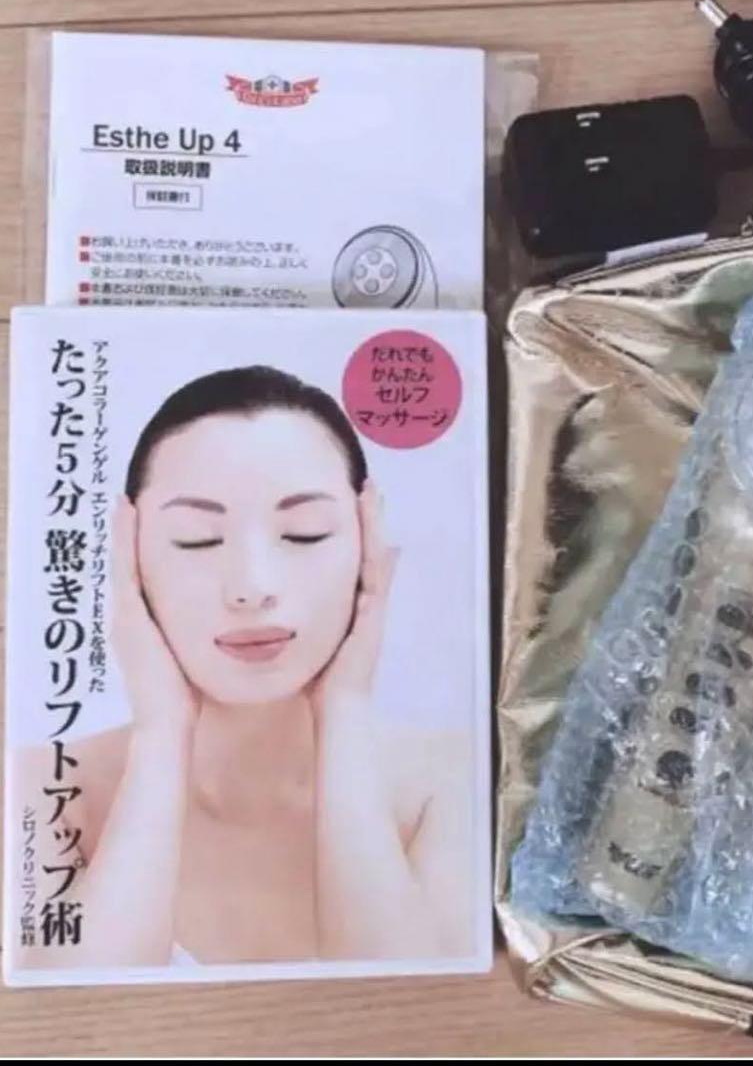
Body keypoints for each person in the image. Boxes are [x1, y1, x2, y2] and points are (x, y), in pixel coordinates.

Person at [16, 366, 474, 967]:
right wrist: (161, 732)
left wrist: (345, 709)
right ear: (130, 556)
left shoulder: (451, 782)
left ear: (367, 545)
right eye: (197, 539)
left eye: (305, 534)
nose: (252, 587)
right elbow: (77, 1013)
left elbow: (407, 1008)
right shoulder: (43, 787)